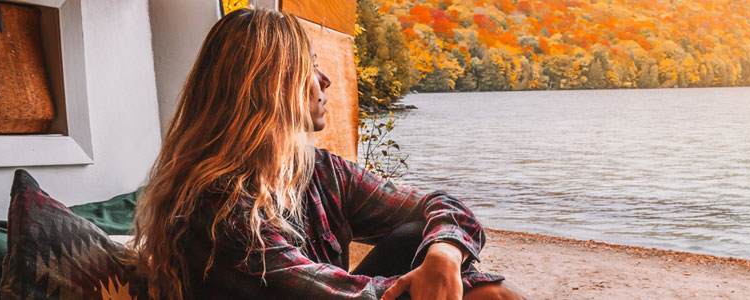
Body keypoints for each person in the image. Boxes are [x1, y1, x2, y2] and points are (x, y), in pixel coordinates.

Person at [130, 8, 522, 300]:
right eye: (311, 67)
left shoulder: (317, 170)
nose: (326, 80)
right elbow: (324, 295)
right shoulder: (217, 204)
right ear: (272, 84)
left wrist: (446, 254)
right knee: (492, 296)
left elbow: (444, 205)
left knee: (422, 235)